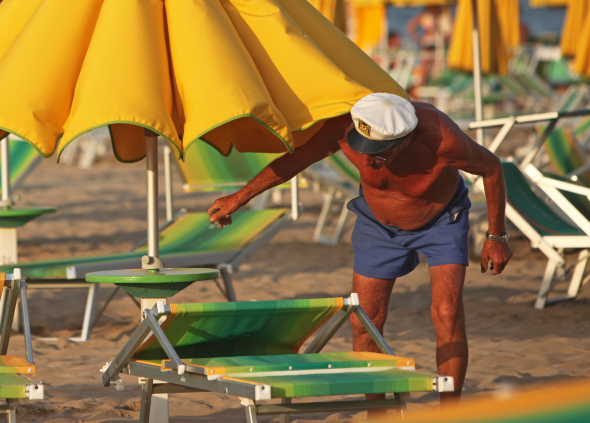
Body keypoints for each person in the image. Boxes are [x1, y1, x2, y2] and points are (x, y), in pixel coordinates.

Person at [208, 93, 512, 404]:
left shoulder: (443, 139)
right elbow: (297, 159)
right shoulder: (345, 126)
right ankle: (377, 410)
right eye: (362, 146)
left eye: (378, 153)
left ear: (404, 141)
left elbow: (491, 168)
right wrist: (239, 197)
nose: (366, 159)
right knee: (364, 320)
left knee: (447, 312)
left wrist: (496, 237)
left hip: (441, 219)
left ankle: (450, 410)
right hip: (377, 225)